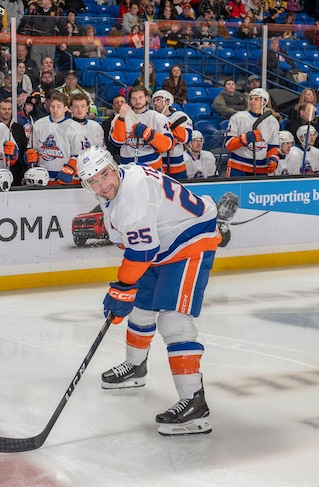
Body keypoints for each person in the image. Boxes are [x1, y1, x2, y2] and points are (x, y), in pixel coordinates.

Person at [76, 145, 220, 436]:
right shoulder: (118, 188)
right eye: (94, 181)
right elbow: (137, 247)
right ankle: (135, 368)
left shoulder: (131, 195)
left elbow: (141, 253)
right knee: (141, 308)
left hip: (189, 241)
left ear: (113, 166)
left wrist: (121, 288)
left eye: (104, 174)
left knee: (173, 320)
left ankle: (195, 403)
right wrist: (125, 291)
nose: (103, 184)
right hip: (160, 244)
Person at [110, 85, 174, 170]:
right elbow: (117, 142)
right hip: (128, 168)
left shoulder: (157, 117)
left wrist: (148, 134)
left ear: (147, 98)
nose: (137, 101)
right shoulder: (119, 117)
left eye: (140, 97)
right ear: (130, 100)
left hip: (152, 168)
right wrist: (121, 118)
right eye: (134, 98)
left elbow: (167, 144)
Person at [224, 88, 280, 177]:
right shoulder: (238, 117)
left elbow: (273, 146)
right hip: (238, 166)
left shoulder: (272, 121)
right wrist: (245, 138)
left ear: (264, 101)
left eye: (256, 99)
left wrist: (272, 159)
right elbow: (229, 144)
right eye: (251, 98)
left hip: (261, 169)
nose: (252, 101)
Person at [27, 90, 75, 185]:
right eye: (52, 107)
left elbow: (77, 154)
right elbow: (33, 148)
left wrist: (69, 170)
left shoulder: (74, 127)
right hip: (41, 177)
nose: (55, 110)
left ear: (66, 108)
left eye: (58, 107)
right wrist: (29, 154)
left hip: (64, 178)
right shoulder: (39, 124)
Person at [152, 89, 193, 178]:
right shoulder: (151, 119)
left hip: (177, 167)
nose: (155, 103)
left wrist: (165, 122)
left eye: (158, 100)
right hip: (158, 166)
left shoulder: (179, 116)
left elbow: (187, 137)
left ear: (167, 101)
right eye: (154, 101)